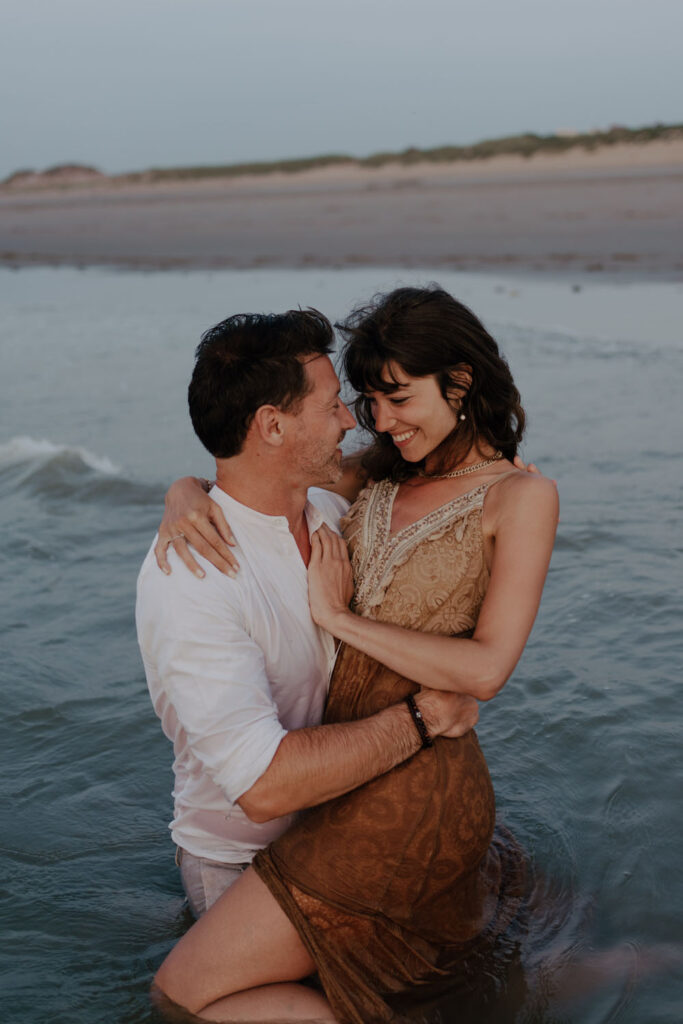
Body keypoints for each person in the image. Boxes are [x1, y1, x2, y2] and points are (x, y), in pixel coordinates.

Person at [149, 286, 559, 1023]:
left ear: (460, 383)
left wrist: (336, 617)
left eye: (390, 397)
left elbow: (487, 671)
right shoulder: (367, 481)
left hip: (398, 785)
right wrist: (182, 492)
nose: (368, 420)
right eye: (358, 401)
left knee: (183, 1000)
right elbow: (246, 475)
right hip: (327, 801)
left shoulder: (505, 496)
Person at [136, 308, 479, 928]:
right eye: (332, 407)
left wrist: (507, 481)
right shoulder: (194, 578)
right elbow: (263, 788)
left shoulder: (324, 503)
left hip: (347, 832)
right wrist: (424, 718)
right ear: (271, 425)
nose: (355, 418)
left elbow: (421, 451)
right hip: (244, 867)